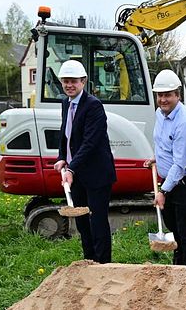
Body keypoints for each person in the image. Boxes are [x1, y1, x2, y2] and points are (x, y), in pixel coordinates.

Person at [53, 60, 116, 264]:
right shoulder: (66, 103)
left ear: (83, 81)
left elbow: (90, 142)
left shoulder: (94, 106)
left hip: (96, 174)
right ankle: (89, 260)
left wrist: (71, 167)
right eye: (65, 81)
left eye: (73, 81)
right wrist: (62, 157)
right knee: (81, 221)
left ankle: (103, 264)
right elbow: (66, 134)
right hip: (77, 172)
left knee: (97, 221)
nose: (69, 85)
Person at [144, 70, 186, 267]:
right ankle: (178, 266)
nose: (163, 100)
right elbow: (163, 142)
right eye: (160, 95)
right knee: (173, 225)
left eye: (168, 95)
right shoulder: (161, 114)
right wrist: (157, 158)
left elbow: (180, 164)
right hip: (170, 178)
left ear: (177, 95)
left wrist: (163, 191)